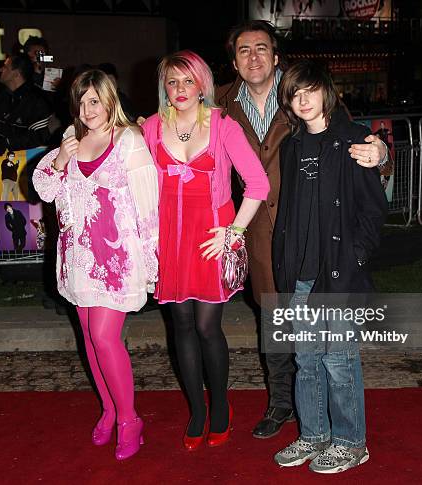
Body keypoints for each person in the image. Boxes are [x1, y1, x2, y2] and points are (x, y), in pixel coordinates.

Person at [215, 20, 387, 439]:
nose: (253, 56)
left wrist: (381, 150)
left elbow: (354, 140)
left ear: (276, 56)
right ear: (234, 61)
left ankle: (341, 431)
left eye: (261, 48)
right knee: (275, 320)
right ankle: (282, 405)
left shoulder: (302, 91)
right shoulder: (218, 104)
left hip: (317, 231)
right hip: (260, 230)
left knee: (329, 346)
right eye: (243, 50)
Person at [141, 50, 270, 450]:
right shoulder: (148, 128)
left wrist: (233, 232)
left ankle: (220, 406)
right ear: (164, 86)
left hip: (210, 241)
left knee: (206, 327)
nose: (180, 89)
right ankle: (197, 410)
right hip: (169, 241)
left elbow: (258, 185)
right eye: (172, 82)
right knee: (179, 325)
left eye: (188, 81)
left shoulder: (222, 126)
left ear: (202, 85)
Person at [32, 69, 158, 461]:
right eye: (81, 102)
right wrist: (61, 160)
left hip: (118, 256)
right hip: (78, 255)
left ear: (109, 101)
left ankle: (129, 419)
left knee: (104, 337)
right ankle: (108, 409)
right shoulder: (71, 139)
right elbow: (44, 189)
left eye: (94, 101)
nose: (87, 110)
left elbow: (149, 203)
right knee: (88, 335)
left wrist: (154, 259)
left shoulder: (129, 140)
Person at [272, 60, 387, 474]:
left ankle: (351, 442)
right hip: (301, 275)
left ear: (326, 92)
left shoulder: (354, 141)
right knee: (306, 359)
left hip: (338, 273)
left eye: (309, 90)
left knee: (339, 359)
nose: (302, 99)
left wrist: (355, 257)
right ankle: (315, 435)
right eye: (294, 94)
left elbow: (374, 211)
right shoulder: (292, 146)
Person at [0, 54, 52, 156]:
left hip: (29, 165)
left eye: (5, 67)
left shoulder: (37, 100)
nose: (0, 70)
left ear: (17, 74)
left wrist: (8, 142)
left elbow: (41, 135)